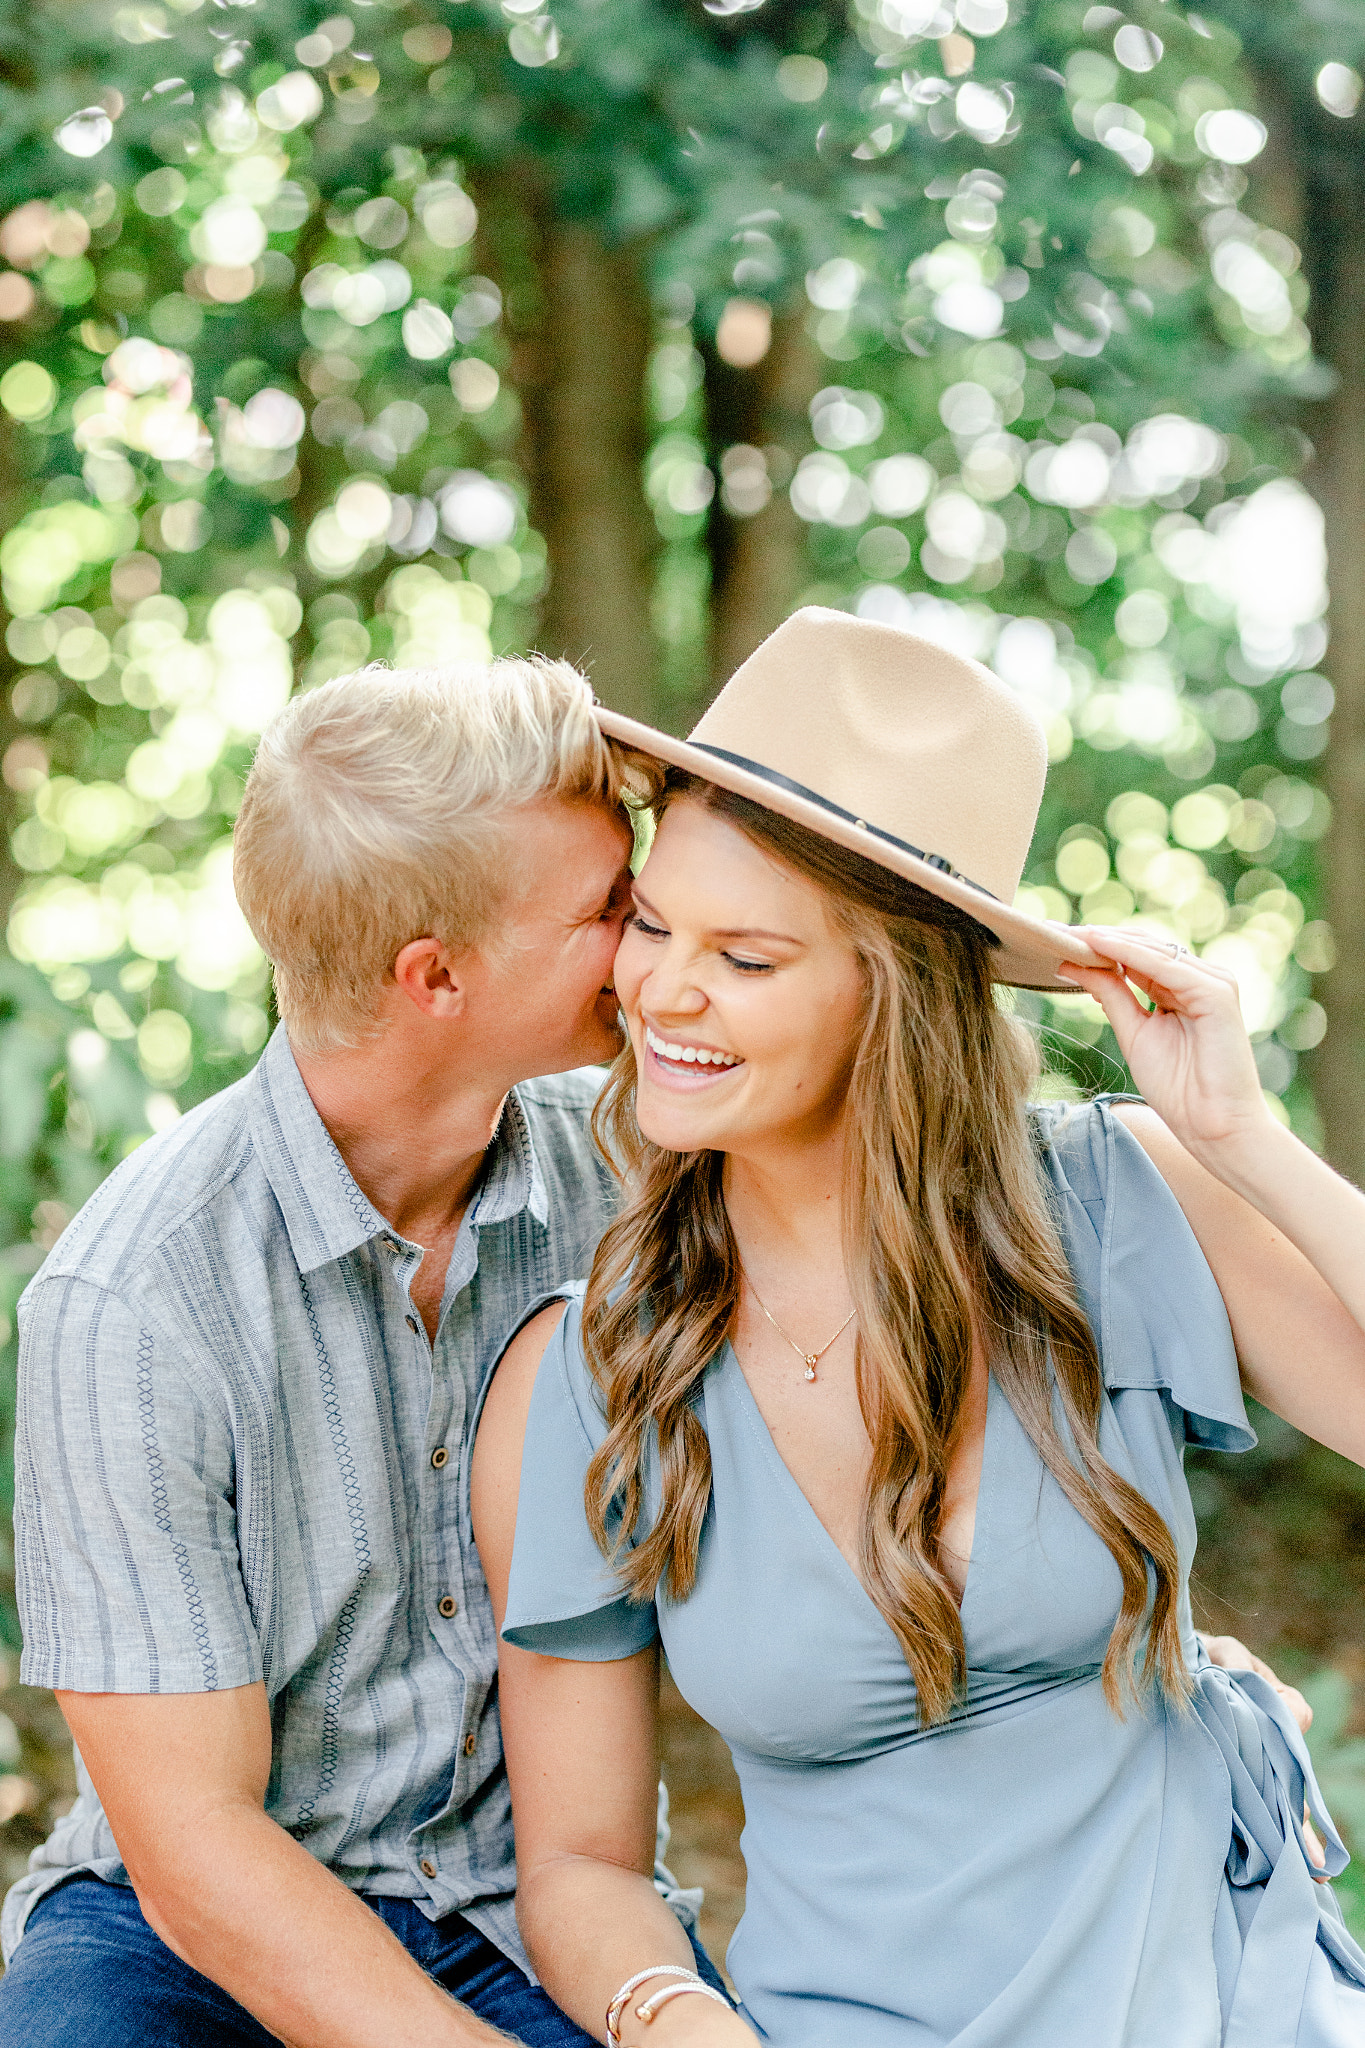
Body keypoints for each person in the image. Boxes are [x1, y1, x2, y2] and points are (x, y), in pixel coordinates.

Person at [473, 608, 1365, 2048]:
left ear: (892, 997)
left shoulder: (1118, 1203)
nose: (663, 992)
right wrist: (676, 2024)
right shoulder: (591, 1374)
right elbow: (576, 1862)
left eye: (747, 959)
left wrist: (1241, 1137)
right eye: (651, 924)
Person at [0, 657, 720, 2047]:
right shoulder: (131, 1300)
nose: (651, 946)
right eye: (609, 910)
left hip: (542, 1905)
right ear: (434, 976)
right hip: (176, 1928)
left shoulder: (640, 1175)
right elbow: (195, 1844)